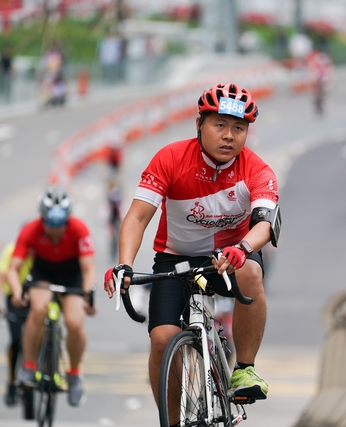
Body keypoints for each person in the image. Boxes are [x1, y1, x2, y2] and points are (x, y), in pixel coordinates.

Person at [103, 83, 281, 418]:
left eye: (238, 128)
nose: (229, 136)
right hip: (175, 259)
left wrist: (243, 248)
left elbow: (264, 224)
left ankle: (244, 368)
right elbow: (138, 216)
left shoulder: (257, 171)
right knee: (162, 339)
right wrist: (124, 264)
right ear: (199, 124)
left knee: (252, 272)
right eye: (220, 125)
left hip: (230, 259)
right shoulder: (170, 158)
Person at [9, 186, 97, 407]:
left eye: (60, 224)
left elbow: (88, 269)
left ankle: (74, 374)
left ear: (67, 219)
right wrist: (18, 291)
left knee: (74, 322)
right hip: (43, 272)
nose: (55, 230)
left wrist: (88, 295)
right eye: (50, 224)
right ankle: (29, 367)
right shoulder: (30, 230)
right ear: (42, 218)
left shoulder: (79, 229)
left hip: (72, 273)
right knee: (38, 309)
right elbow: (13, 268)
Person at [0, 239, 34, 406]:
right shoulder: (10, 251)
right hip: (13, 300)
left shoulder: (39, 251)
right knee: (16, 341)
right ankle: (11, 382)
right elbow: (1, 278)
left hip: (34, 297)